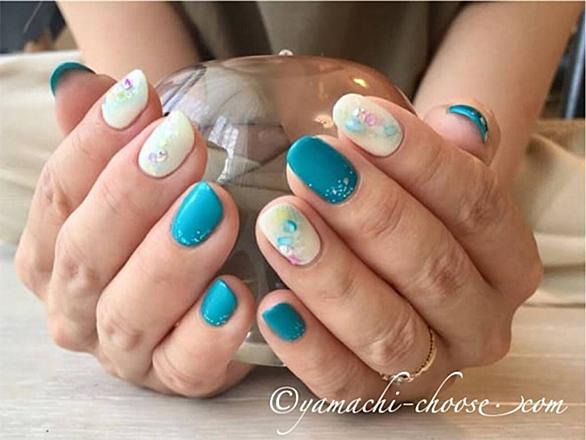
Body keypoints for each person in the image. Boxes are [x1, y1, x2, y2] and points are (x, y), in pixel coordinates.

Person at [13, 1, 583, 400]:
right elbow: (167, 135)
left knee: (508, 219)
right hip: (218, 132)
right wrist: (131, 259)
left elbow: (450, 182)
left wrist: (439, 250)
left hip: (387, 132)